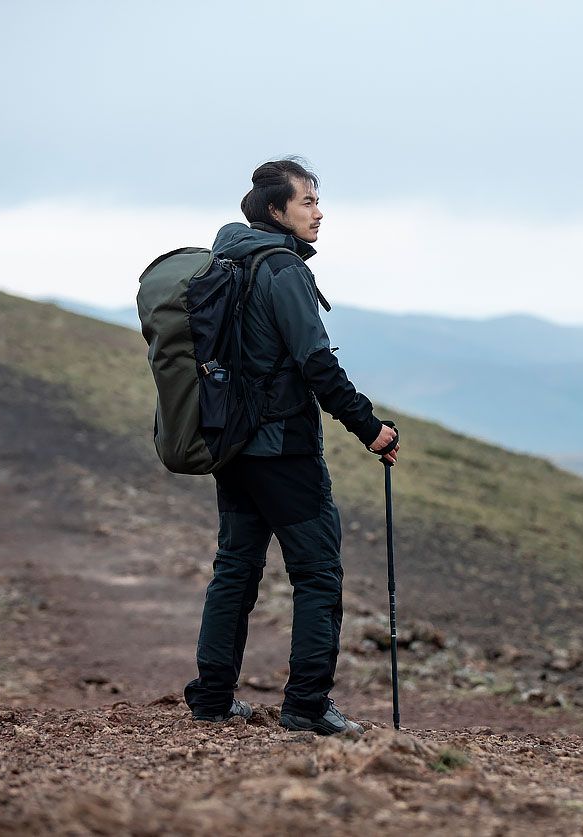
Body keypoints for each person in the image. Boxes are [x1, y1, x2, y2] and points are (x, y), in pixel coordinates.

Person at [183, 158, 399, 736]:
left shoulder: (228, 261)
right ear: (277, 211)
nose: (319, 212)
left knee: (235, 569)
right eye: (307, 202)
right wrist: (370, 427)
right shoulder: (282, 270)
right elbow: (316, 364)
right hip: (284, 450)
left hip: (232, 447)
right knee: (318, 573)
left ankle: (211, 696)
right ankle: (306, 705)